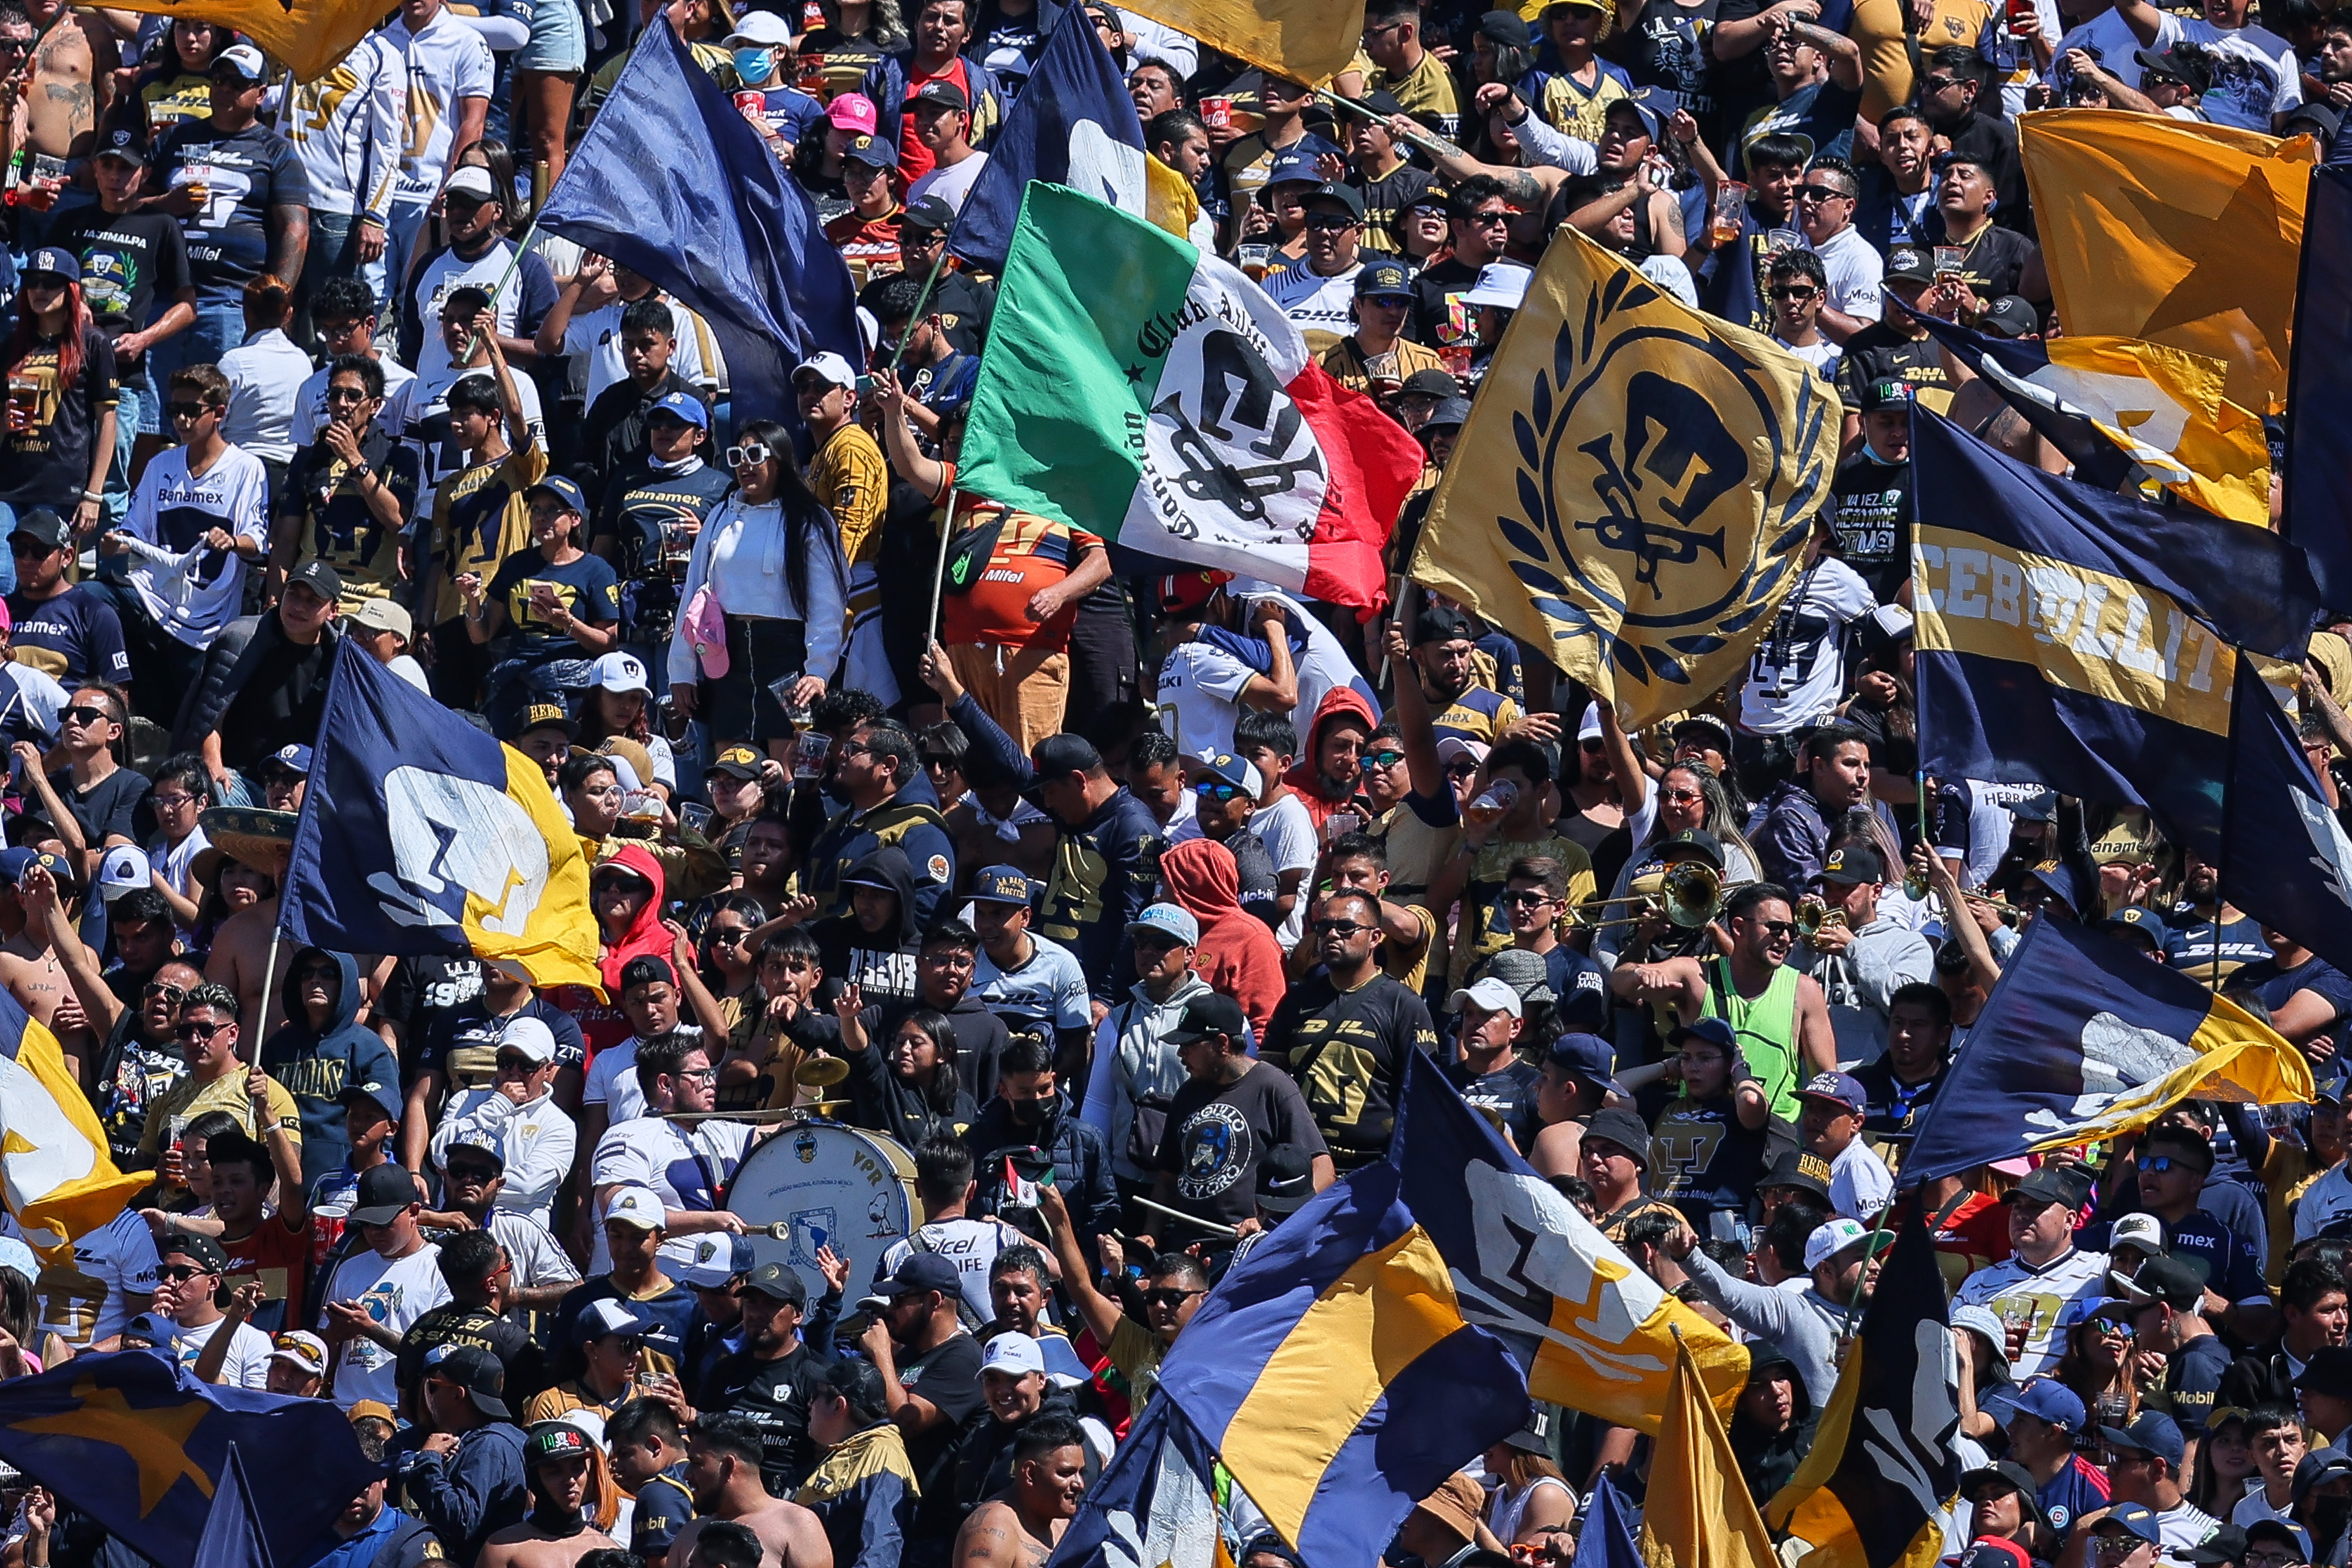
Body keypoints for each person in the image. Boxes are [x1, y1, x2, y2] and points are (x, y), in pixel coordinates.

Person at [666, 420, 846, 754]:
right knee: (730, 770)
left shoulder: (810, 519)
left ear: (778, 459)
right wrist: (682, 669)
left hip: (785, 657)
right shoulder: (721, 515)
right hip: (727, 656)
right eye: (737, 455)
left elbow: (828, 603)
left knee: (787, 768)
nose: (744, 464)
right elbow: (694, 596)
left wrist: (819, 670)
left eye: (754, 454)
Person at [147, 45, 309, 372]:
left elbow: (296, 229)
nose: (225, 89)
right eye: (219, 79)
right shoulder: (174, 139)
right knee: (153, 412)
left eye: (238, 84)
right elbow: (127, 207)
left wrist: (274, 300)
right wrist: (165, 203)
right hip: (166, 294)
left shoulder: (276, 151)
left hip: (230, 298)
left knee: (216, 407)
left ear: (261, 93)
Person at [1258, 888, 1440, 1168]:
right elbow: (1270, 1078)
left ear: (1375, 938)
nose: (1332, 935)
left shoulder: (1403, 1005)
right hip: (1300, 1162)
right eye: (1324, 927)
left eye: (1346, 927)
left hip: (1369, 1170)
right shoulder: (1297, 999)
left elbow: (1423, 1097)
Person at [1150, 992, 1332, 1237]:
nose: (1181, 1053)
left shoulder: (1273, 1087)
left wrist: (1273, 1219)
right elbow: (1167, 1179)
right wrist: (1149, 1236)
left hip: (1242, 1244)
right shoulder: (1188, 1092)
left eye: (1190, 1045)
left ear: (1222, 1044)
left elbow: (1323, 1168)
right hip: (1185, 1243)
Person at [1956, 1163, 2113, 1379]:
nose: (2021, 1215)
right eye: (2017, 1207)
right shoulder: (1980, 1281)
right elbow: (1946, 1345)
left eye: (2036, 1206)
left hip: (2060, 1405)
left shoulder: (2100, 1271)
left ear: (2069, 1220)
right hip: (1985, 1404)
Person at [319, 1164, 450, 1411]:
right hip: (344, 1407)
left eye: (384, 1223)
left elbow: (437, 1355)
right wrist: (335, 1334)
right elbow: (325, 1353)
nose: (374, 1232)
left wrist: (369, 1328)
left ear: (413, 1212)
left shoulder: (439, 1268)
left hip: (402, 1411)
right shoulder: (349, 1268)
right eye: (367, 1224)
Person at [406, 1343, 529, 1566]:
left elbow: (461, 1522)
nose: (429, 1397)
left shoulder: (490, 1446)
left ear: (457, 1394)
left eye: (434, 1388)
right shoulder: (508, 1437)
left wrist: (428, 1460)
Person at [799, 1357, 920, 1568]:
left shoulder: (882, 1455)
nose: (809, 1404)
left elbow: (882, 1549)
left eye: (816, 1395)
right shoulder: (854, 1451)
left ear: (839, 1405)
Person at [673, 1413, 834, 1568]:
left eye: (697, 1463)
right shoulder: (689, 1534)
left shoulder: (797, 1526)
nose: (686, 1475)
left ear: (728, 1466)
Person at [474, 1424, 625, 1568]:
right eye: (555, 1472)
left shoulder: (607, 1550)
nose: (570, 1480)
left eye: (577, 1468)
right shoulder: (503, 1549)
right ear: (535, 1480)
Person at [949, 1417, 1088, 1568]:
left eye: (1081, 1473)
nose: (1079, 1484)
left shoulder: (1063, 1523)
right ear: (1031, 1473)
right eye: (1066, 1473)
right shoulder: (993, 1531)